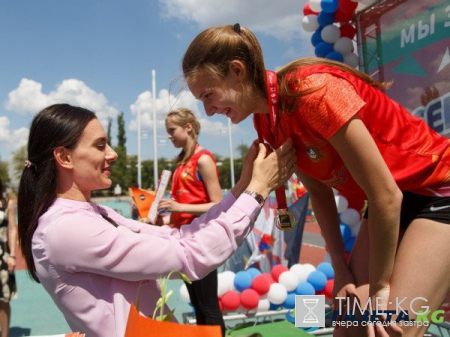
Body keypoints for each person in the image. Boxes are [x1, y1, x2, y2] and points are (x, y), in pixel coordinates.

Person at [181, 24, 450, 337]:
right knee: (348, 328)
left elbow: (386, 197)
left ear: (237, 71)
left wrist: (379, 289)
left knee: (391, 329)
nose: (208, 111)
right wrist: (340, 267)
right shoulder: (265, 121)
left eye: (208, 95)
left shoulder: (312, 91)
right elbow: (318, 193)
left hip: (437, 188)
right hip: (390, 200)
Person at [17, 103, 296, 337]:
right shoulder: (65, 228)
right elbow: (190, 255)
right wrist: (257, 191)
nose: (112, 154)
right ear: (64, 157)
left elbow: (177, 238)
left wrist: (242, 190)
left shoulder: (94, 212)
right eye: (100, 146)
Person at [155, 108, 226, 334]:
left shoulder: (202, 159)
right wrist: (164, 219)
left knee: (208, 306)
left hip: (202, 241)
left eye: (171, 130)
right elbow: (182, 210)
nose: (169, 136)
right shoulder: (180, 164)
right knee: (198, 305)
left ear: (188, 127)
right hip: (185, 240)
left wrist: (179, 207)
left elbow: (218, 204)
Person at [0, 179, 18, 337]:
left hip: (2, 258)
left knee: (3, 300)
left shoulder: (7, 202)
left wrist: (12, 255)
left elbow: (12, 229)